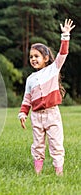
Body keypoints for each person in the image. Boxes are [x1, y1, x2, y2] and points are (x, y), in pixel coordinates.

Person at [18, 19, 75, 176]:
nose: (33, 59)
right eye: (31, 57)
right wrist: (23, 113)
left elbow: (63, 54)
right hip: (36, 116)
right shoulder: (30, 79)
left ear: (45, 58)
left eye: (36, 56)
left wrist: (65, 35)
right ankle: (38, 171)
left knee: (56, 144)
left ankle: (59, 171)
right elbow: (26, 99)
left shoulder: (53, 69)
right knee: (38, 145)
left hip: (52, 114)